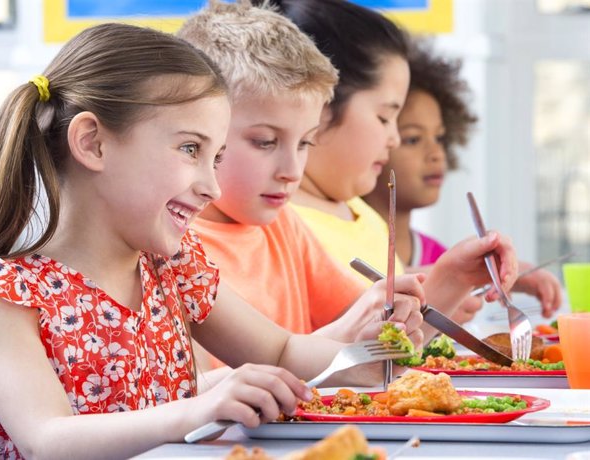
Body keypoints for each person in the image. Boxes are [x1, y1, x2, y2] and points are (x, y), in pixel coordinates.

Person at [0, 23, 419, 460]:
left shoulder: (172, 269)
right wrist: (194, 410)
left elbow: (284, 352)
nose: (213, 185)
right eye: (190, 149)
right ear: (93, 142)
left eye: (217, 155)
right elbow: (47, 439)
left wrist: (378, 356)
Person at [178, 0, 514, 362]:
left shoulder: (283, 226)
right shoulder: (170, 245)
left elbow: (376, 344)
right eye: (265, 142)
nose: (292, 169)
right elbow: (198, 392)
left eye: (305, 142)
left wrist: (454, 277)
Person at [262, 0, 518, 328]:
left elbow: (394, 349)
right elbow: (345, 352)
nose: (393, 138)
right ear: (319, 106)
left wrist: (455, 278)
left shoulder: (360, 212)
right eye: (384, 117)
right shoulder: (278, 221)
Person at [363, 39, 563, 318]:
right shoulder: (349, 243)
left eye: (440, 138)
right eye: (413, 139)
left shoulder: (436, 253)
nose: (436, 153)